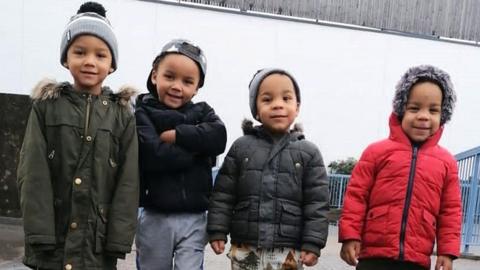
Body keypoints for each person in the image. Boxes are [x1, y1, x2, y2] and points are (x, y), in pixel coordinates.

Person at [16, 2, 139, 270]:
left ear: (112, 64)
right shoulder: (46, 107)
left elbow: (128, 183)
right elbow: (33, 173)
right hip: (53, 242)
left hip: (96, 243)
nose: (89, 62)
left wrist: (118, 239)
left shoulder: (122, 116)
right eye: (80, 52)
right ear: (65, 58)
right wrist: (39, 233)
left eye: (100, 55)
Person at [339, 65, 462, 270]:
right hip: (374, 257)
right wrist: (350, 235)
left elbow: (450, 211)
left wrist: (447, 252)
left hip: (417, 260)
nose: (423, 116)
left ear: (443, 115)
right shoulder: (376, 152)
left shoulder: (446, 163)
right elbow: (356, 197)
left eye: (433, 110)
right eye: (414, 108)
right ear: (401, 110)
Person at [207, 68, 330, 269]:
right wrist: (217, 230)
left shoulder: (308, 152)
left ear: (297, 107)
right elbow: (223, 194)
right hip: (246, 246)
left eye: (286, 98)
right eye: (267, 99)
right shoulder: (241, 147)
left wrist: (313, 242)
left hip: (288, 249)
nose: (278, 105)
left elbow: (317, 203)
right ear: (255, 109)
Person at [135, 38, 227, 270]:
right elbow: (152, 155)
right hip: (154, 215)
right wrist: (198, 150)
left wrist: (177, 136)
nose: (177, 86)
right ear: (155, 75)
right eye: (169, 76)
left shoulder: (203, 111)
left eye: (187, 81)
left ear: (197, 87)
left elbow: (219, 137)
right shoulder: (143, 111)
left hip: (194, 218)